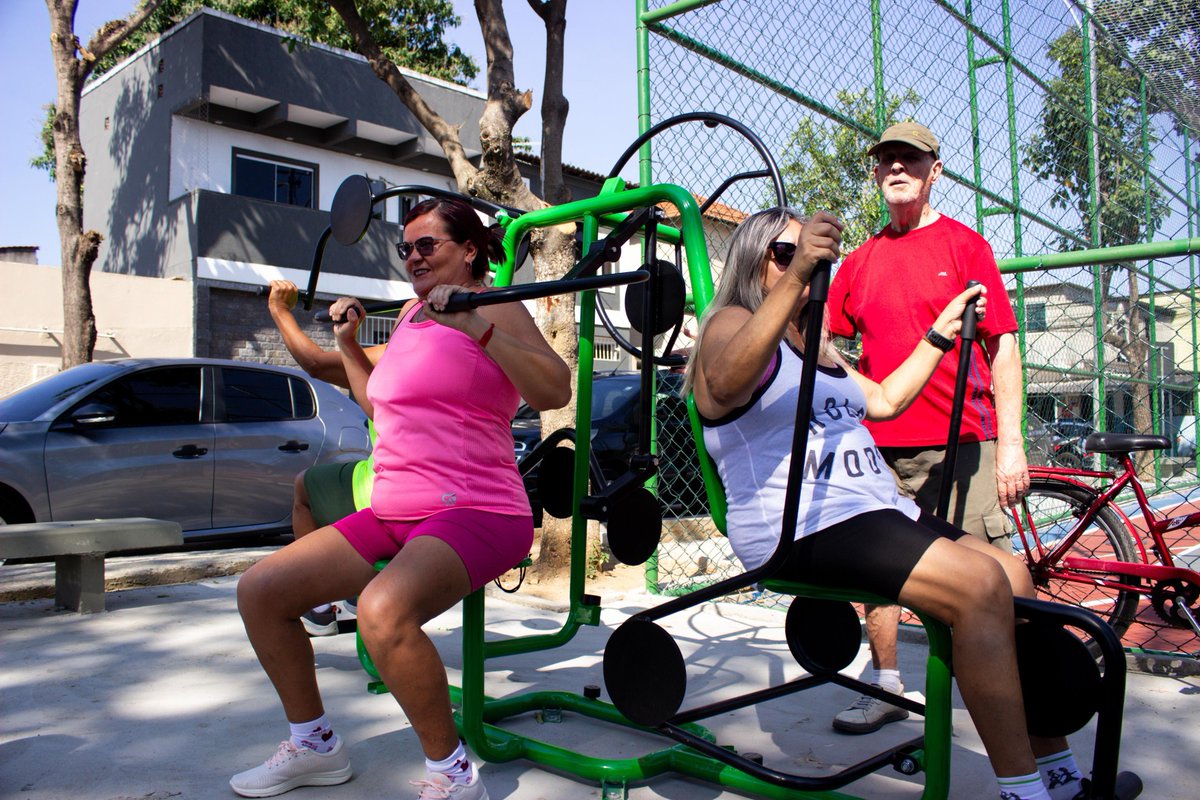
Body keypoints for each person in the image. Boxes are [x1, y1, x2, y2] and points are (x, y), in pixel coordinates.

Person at [688, 206, 1082, 800]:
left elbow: (888, 400)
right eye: (785, 254)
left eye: (808, 254)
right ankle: (1023, 791)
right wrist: (801, 274)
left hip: (873, 511)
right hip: (801, 525)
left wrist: (939, 333)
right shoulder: (731, 323)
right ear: (753, 261)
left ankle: (1059, 773)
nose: (802, 265)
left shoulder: (815, 345)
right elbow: (721, 384)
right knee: (978, 587)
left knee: (1012, 574)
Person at [232, 198, 571, 800]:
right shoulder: (414, 314)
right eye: (406, 248)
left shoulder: (493, 303)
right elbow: (378, 403)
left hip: (477, 509)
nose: (413, 256)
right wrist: (347, 343)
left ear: (469, 250)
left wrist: (475, 325)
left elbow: (554, 389)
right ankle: (314, 744)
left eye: (427, 245)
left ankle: (454, 775)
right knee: (261, 591)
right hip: (395, 509)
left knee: (381, 612)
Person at [825, 121, 1030, 737]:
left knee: (994, 579)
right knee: (878, 574)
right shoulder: (859, 262)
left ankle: (1017, 704)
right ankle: (887, 685)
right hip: (877, 452)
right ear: (876, 172)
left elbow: (1003, 347)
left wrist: (1012, 443)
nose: (896, 167)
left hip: (962, 447)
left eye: (909, 159)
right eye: (886, 158)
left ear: (934, 171)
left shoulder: (965, 246)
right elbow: (823, 341)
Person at [266, 279, 378, 636]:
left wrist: (279, 309)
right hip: (459, 489)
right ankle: (356, 593)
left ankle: (318, 604)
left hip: (393, 489)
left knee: (305, 489)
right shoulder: (481, 339)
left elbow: (314, 362)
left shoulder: (406, 349)